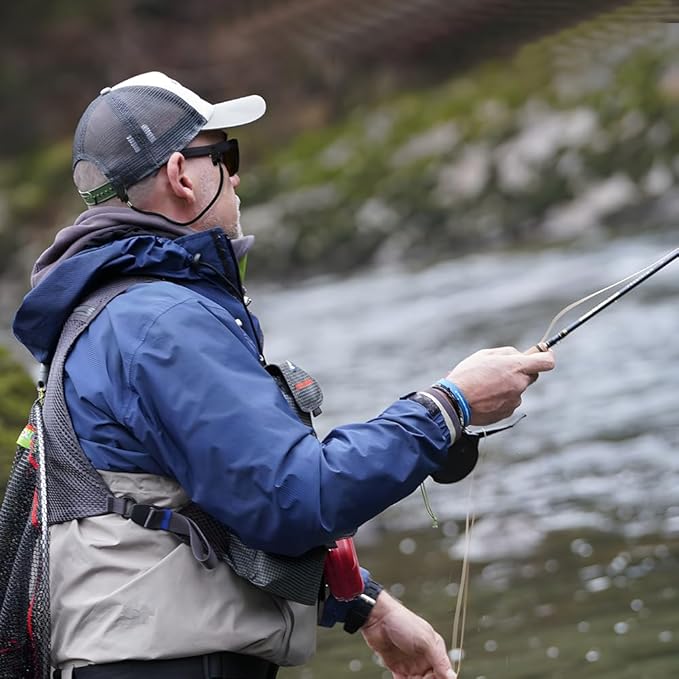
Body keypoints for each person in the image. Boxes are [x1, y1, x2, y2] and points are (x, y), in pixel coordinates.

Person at [12, 71, 555, 679]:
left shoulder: (116, 311)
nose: (236, 177)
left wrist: (363, 604)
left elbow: (206, 506)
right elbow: (294, 499)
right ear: (181, 175)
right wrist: (450, 406)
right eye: (226, 155)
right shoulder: (159, 322)